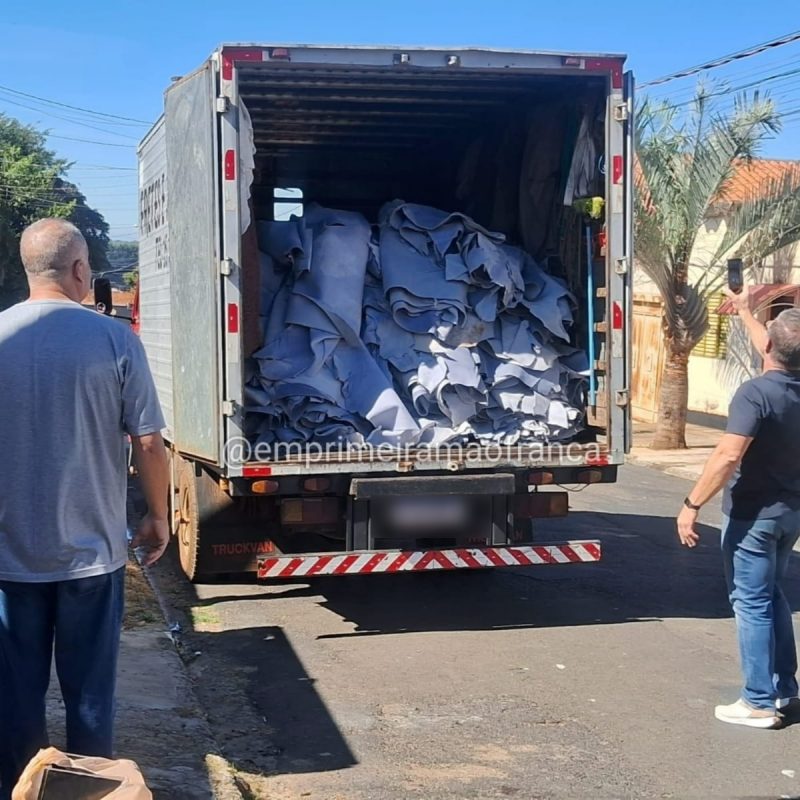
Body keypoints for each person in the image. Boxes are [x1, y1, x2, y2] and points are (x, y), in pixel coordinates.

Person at [0, 219, 170, 797]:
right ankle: (87, 792)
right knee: (90, 699)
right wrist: (158, 516)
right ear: (79, 270)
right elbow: (149, 442)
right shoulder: (115, 340)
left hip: (10, 558)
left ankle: (18, 789)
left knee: (15, 699)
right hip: (91, 559)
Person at [677, 284, 800, 729]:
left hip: (753, 517)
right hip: (790, 515)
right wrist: (747, 310)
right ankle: (784, 687)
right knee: (771, 594)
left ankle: (757, 702)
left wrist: (692, 504)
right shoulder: (787, 385)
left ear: (769, 347)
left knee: (750, 602)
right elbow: (776, 346)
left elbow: (728, 455)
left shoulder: (755, 394)